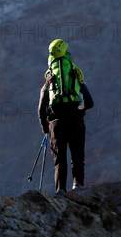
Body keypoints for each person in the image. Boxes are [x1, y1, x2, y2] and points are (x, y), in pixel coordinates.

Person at [38, 39, 94, 194]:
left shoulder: (49, 78)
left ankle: (60, 191)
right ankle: (78, 186)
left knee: (59, 160)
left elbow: (41, 108)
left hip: (56, 123)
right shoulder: (75, 73)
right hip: (76, 120)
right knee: (77, 156)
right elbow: (90, 102)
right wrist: (79, 108)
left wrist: (46, 128)